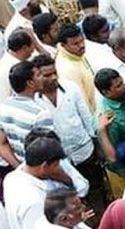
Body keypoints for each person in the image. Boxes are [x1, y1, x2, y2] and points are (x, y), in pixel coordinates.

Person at [33, 54, 103, 205]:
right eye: (47, 75)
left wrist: (96, 144)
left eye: (54, 73)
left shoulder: (71, 88)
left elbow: (86, 117)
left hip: (84, 152)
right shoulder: (34, 100)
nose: (52, 77)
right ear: (37, 76)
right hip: (61, 160)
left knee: (96, 190)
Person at [0, 61, 54, 165]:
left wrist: (19, 167)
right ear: (30, 83)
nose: (42, 78)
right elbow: (48, 155)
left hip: (26, 168)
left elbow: (0, 144)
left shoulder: (4, 107)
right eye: (38, 75)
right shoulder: (40, 114)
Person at [54, 23, 96, 110]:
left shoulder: (77, 54)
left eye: (82, 41)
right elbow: (81, 103)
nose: (81, 45)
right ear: (63, 45)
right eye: (75, 43)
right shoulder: (67, 69)